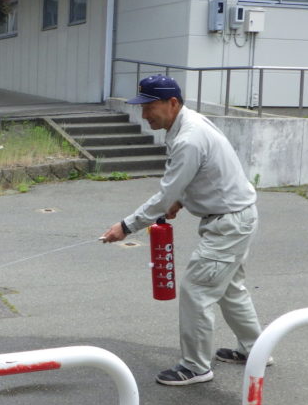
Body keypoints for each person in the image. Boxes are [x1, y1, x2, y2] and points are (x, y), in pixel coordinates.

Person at [100, 74, 268, 386]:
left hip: (229, 223)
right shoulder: (189, 124)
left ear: (172, 103)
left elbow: (164, 195)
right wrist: (180, 200)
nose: (144, 114)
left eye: (149, 107)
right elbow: (197, 176)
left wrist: (126, 226)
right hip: (236, 217)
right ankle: (256, 350)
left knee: (197, 290)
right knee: (229, 289)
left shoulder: (189, 138)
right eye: (142, 107)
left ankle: (195, 367)